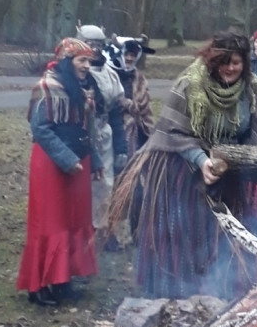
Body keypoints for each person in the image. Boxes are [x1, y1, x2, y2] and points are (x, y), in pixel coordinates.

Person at [113, 31, 257, 299]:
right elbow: (173, 131)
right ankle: (178, 292)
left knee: (222, 230)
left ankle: (220, 289)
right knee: (186, 229)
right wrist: (202, 160)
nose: (230, 68)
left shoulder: (250, 89)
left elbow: (254, 130)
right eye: (224, 61)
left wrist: (242, 161)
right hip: (183, 169)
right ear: (213, 59)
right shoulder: (190, 84)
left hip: (228, 168)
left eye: (237, 62)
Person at [17, 39, 103, 307]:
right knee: (50, 222)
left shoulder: (83, 89)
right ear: (68, 61)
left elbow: (87, 129)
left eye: (89, 62)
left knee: (72, 221)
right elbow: (40, 129)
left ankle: (63, 281)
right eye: (82, 61)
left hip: (79, 161)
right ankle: (37, 287)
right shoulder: (46, 87)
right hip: (51, 164)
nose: (87, 67)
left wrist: (96, 161)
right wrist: (66, 159)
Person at [76, 25, 127, 233]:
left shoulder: (111, 75)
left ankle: (102, 230)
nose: (94, 49)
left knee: (104, 183)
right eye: (90, 44)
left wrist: (121, 146)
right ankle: (80, 229)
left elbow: (115, 112)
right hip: (79, 134)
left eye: (98, 45)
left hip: (103, 133)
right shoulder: (76, 72)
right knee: (80, 184)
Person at [109, 37, 155, 158]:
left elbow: (145, 106)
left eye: (133, 55)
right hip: (115, 129)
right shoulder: (110, 75)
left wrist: (131, 106)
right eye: (127, 54)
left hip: (138, 129)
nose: (129, 58)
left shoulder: (139, 78)